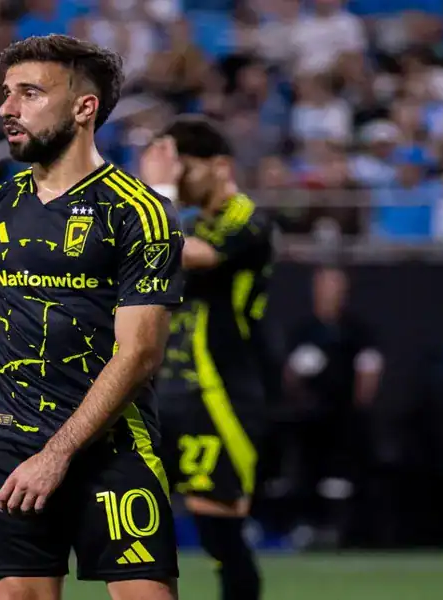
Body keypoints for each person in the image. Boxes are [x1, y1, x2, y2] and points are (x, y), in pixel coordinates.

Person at [0, 35, 185, 600]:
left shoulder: (139, 212)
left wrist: (58, 454)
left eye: (29, 93)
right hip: (9, 442)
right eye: (6, 93)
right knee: (21, 595)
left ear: (83, 107)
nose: (7, 108)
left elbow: (139, 353)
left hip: (113, 444)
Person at [141, 115, 274, 600]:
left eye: (184, 169)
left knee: (220, 535)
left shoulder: (247, 220)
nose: (178, 181)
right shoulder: (185, 222)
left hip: (219, 398)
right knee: (141, 535)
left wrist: (158, 192)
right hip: (164, 395)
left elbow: (196, 255)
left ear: (220, 165)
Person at [284, 266, 382, 548]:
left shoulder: (357, 332)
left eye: (336, 289)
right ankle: (307, 527)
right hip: (310, 420)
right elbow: (289, 375)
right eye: (325, 289)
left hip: (345, 420)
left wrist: (358, 410)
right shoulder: (303, 332)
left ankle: (344, 530)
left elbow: (369, 371)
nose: (331, 295)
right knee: (307, 472)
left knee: (344, 477)